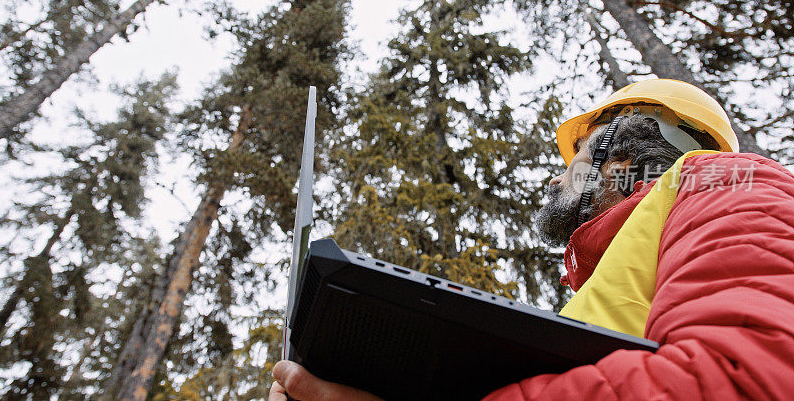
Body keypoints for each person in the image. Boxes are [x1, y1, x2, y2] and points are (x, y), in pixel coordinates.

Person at [270, 79, 794, 400]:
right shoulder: (605, 288)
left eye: (578, 161)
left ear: (621, 162)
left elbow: (745, 376)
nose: (555, 180)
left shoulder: (720, 179)